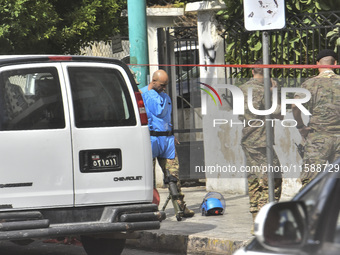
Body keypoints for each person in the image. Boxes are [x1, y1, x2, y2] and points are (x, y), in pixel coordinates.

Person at [141, 69, 195, 217]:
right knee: (148, 179)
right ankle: (149, 210)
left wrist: (171, 133)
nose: (164, 88)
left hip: (166, 141)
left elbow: (166, 119)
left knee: (173, 176)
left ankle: (180, 207)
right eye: (162, 84)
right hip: (149, 141)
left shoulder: (165, 97)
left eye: (166, 85)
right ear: (153, 81)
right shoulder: (141, 95)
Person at [238, 59, 282, 230]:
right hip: (262, 141)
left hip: (248, 139)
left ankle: (256, 221)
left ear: (252, 71)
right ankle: (265, 223)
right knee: (272, 180)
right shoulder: (265, 90)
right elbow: (277, 112)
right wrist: (275, 92)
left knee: (255, 180)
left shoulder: (241, 89)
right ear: (268, 73)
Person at [292, 49, 340, 187]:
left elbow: (295, 106)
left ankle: (310, 207)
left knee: (310, 180)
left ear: (318, 64)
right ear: (335, 63)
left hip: (318, 139)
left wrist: (300, 126)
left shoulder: (310, 84)